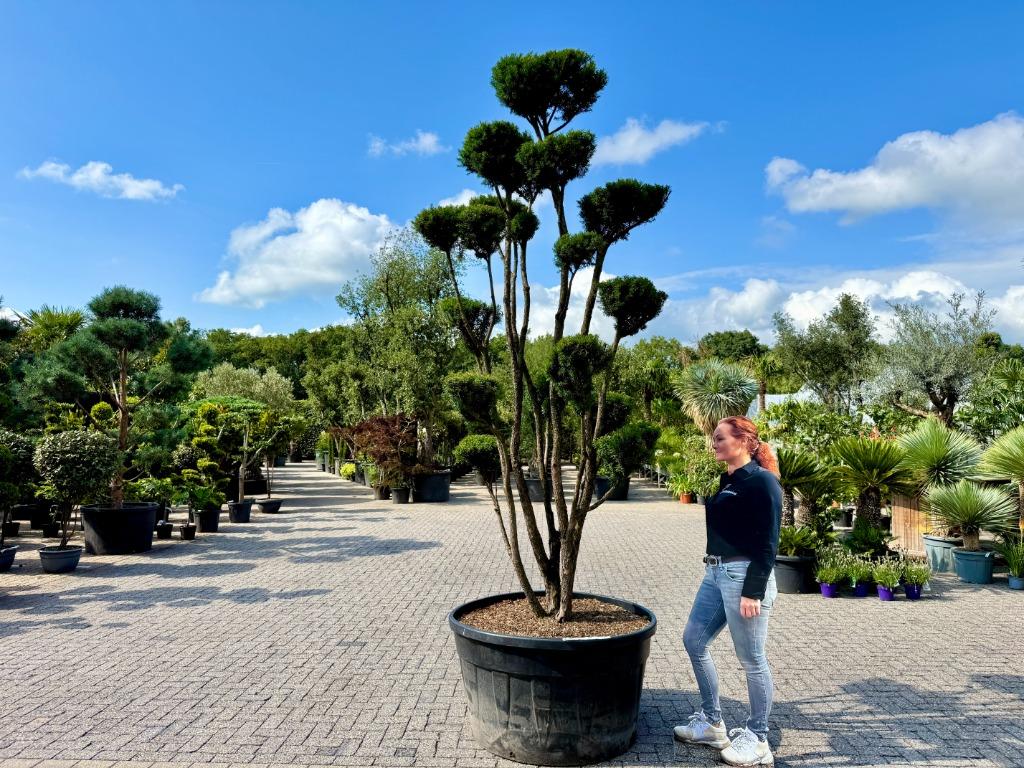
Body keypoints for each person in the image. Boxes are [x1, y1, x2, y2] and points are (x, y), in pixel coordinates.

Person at [673, 416, 782, 767]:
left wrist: (753, 591)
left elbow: (768, 543)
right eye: (714, 438)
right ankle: (712, 723)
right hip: (716, 572)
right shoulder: (728, 480)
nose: (714, 443)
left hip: (744, 577)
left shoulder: (762, 481)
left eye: (720, 438)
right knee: (694, 640)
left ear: (744, 441)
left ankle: (759, 739)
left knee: (752, 658)